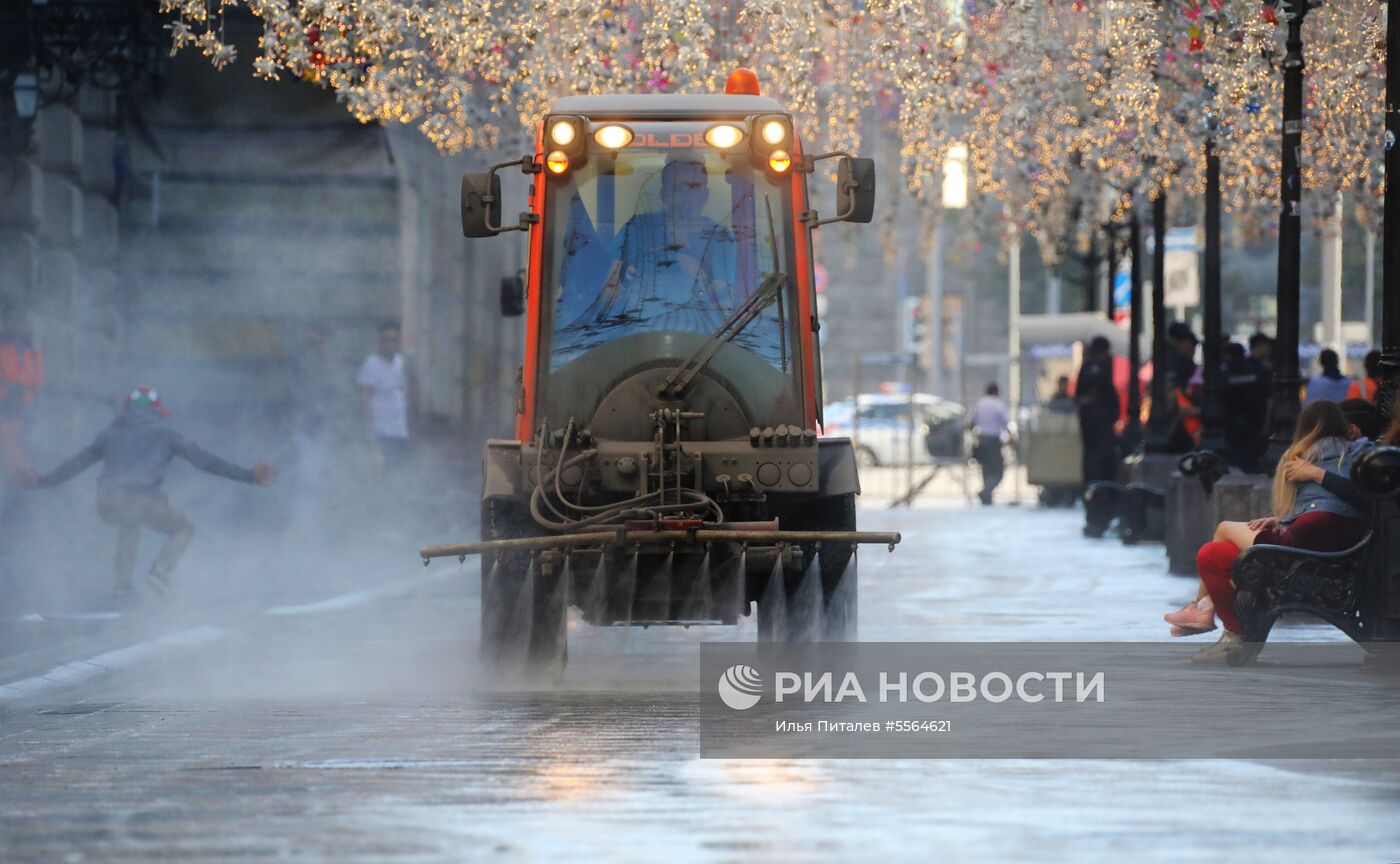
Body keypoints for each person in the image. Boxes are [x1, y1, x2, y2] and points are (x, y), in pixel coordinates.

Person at [1163, 401, 1370, 663]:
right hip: (1305, 537)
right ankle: (1234, 634)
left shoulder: (1346, 452)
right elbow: (1312, 506)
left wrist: (1317, 474)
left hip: (1313, 545)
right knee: (1212, 553)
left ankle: (1201, 610)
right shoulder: (1312, 456)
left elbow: (1364, 498)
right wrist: (1282, 520)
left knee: (1223, 528)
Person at [22, 387, 276, 601]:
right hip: (145, 498)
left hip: (108, 499)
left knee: (128, 523)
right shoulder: (166, 433)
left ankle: (123, 586)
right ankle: (160, 572)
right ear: (156, 411)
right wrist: (249, 475)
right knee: (183, 528)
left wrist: (42, 481)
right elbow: (205, 462)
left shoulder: (109, 434)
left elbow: (75, 465)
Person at [358, 319, 416, 469]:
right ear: (380, 341)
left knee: (401, 476)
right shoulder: (371, 364)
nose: (390, 343)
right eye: (386, 339)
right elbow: (365, 400)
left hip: (400, 432)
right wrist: (370, 437)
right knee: (383, 477)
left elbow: (404, 393)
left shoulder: (400, 362)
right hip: (381, 434)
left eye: (394, 339)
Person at [1075, 336, 1120, 490]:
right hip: (1098, 420)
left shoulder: (1092, 366)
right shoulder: (1095, 367)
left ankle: (1095, 486)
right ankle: (1098, 488)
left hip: (1095, 420)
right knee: (1098, 458)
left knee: (1094, 458)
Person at [969, 382, 1011, 505]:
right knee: (998, 471)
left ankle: (987, 495)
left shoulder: (979, 403)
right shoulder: (999, 404)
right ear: (997, 392)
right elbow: (1005, 423)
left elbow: (971, 423)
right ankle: (986, 492)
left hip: (981, 440)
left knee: (986, 470)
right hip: (994, 441)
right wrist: (1010, 438)